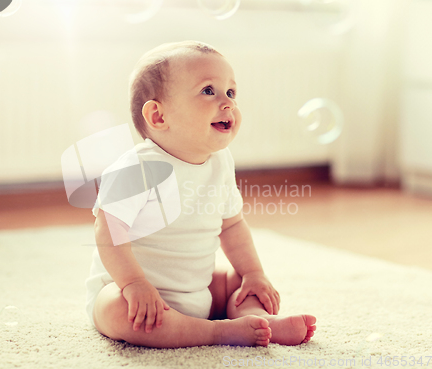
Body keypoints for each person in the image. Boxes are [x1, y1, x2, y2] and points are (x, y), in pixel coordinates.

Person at [85, 40, 316, 348]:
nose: (228, 102)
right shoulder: (137, 167)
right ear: (158, 117)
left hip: (198, 289)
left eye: (231, 92)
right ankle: (218, 332)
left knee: (239, 281)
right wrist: (134, 284)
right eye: (209, 91)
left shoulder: (220, 163)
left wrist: (253, 272)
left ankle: (258, 319)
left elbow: (232, 225)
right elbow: (108, 230)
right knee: (115, 309)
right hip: (135, 295)